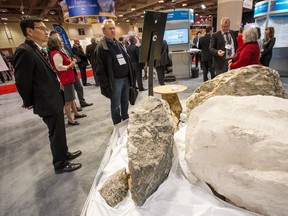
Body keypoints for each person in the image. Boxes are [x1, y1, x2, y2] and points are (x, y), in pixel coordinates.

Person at [13, 15, 82, 174]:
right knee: (56, 133)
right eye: (42, 28)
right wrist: (28, 101)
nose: (46, 32)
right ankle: (60, 163)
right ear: (29, 31)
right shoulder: (24, 51)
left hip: (53, 97)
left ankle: (64, 154)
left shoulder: (36, 49)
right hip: (45, 101)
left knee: (59, 131)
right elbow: (22, 81)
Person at [95, 19, 134, 125]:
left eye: (113, 28)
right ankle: (117, 123)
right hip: (114, 81)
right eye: (110, 28)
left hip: (125, 78)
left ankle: (125, 119)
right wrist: (105, 86)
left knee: (125, 101)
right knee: (115, 104)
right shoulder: (101, 47)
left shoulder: (118, 43)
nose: (112, 30)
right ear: (104, 31)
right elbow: (99, 69)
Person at [48, 35, 87, 125]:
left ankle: (76, 113)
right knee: (68, 101)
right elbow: (59, 67)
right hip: (65, 79)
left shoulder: (58, 52)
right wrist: (72, 64)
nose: (62, 42)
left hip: (68, 78)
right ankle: (70, 119)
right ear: (55, 43)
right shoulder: (56, 53)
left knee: (71, 98)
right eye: (60, 41)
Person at [49, 31, 93, 110]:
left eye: (59, 37)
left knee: (79, 87)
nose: (60, 39)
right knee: (70, 94)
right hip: (65, 74)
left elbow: (70, 55)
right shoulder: (53, 51)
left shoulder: (65, 47)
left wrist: (72, 59)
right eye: (57, 37)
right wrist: (69, 65)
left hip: (72, 71)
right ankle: (74, 108)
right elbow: (58, 66)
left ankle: (82, 102)